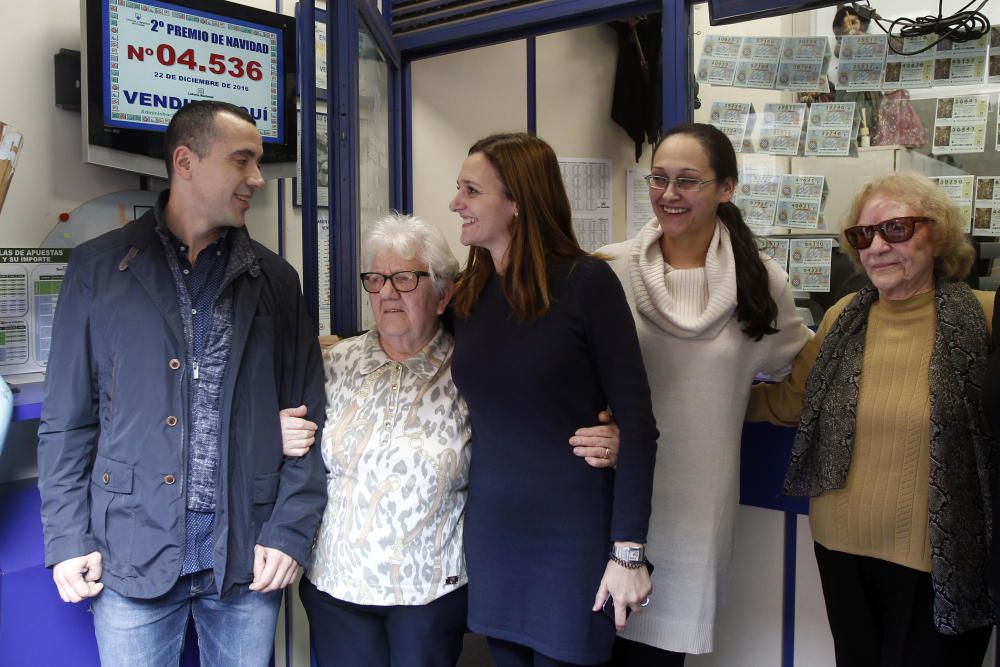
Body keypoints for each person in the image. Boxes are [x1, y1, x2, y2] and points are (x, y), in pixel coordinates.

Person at [36, 100, 327, 667]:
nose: (256, 179)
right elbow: (68, 421)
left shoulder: (275, 279)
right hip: (130, 552)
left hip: (245, 558)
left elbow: (309, 420)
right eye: (242, 161)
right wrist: (68, 540)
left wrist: (291, 532)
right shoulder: (99, 268)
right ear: (185, 161)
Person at [281, 212, 623, 666]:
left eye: (404, 278)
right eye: (376, 278)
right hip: (336, 586)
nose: (386, 293)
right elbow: (289, 444)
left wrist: (610, 434)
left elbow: (537, 429)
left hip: (430, 592)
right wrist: (278, 431)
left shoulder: (474, 370)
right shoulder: (333, 364)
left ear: (444, 294)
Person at [748, 172, 995, 666]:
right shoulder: (843, 317)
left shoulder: (986, 317)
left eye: (896, 230)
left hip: (940, 558)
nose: (877, 246)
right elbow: (791, 400)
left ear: (939, 233)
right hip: (842, 547)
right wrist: (697, 403)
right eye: (864, 235)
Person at [598, 123, 811, 665]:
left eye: (688, 181)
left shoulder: (759, 282)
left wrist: (742, 403)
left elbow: (802, 366)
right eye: (660, 179)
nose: (669, 195)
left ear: (726, 189)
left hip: (695, 512)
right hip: (607, 503)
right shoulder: (607, 271)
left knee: (659, 657)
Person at [448, 132, 658, 667]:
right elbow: (401, 330)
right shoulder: (470, 295)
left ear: (517, 201)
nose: (456, 204)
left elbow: (636, 424)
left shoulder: (588, 283)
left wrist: (628, 552)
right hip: (495, 535)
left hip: (572, 540)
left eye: (471, 191)